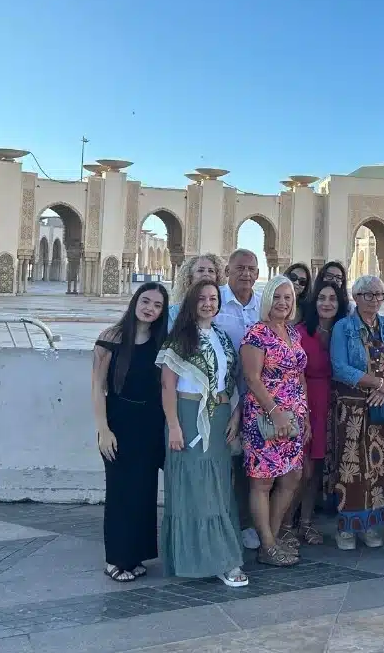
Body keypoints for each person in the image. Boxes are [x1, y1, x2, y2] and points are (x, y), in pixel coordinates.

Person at [156, 279, 247, 587]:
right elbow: (168, 385)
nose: (209, 303)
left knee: (219, 485)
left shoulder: (221, 337)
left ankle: (220, 554)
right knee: (197, 485)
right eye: (202, 298)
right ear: (191, 303)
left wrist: (235, 415)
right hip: (189, 416)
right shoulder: (180, 340)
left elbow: (230, 381)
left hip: (219, 417)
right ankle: (216, 559)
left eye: (213, 298)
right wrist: (173, 426)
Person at [91, 282, 169, 582]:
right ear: (135, 301)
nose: (149, 308)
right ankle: (116, 559)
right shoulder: (110, 338)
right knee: (121, 492)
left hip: (150, 423)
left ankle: (135, 557)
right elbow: (97, 387)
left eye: (157, 305)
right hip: (119, 422)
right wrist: (103, 430)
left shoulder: (161, 341)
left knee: (144, 492)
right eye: (145, 301)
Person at [329, 275, 384, 550]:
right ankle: (348, 527)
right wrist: (378, 383)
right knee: (353, 468)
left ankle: (372, 524)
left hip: (382, 408)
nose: (374, 300)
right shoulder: (344, 327)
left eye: (378, 295)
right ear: (356, 296)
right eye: (368, 295)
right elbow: (339, 367)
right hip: (352, 410)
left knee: (381, 467)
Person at [239, 276, 306, 567]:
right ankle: (266, 544)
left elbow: (298, 375)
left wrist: (307, 417)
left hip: (293, 417)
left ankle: (273, 537)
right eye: (277, 297)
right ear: (268, 300)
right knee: (263, 482)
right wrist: (275, 411)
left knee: (292, 476)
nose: (282, 303)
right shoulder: (257, 333)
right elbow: (252, 378)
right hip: (264, 417)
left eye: (287, 298)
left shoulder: (292, 333)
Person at [291, 277, 346, 545]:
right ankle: (285, 524)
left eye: (332, 299)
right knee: (302, 469)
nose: (327, 303)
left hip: (333, 403)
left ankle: (306, 523)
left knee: (318, 464)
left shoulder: (344, 331)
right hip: (305, 401)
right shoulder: (300, 332)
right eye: (322, 298)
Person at [215, 249, 264, 551]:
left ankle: (247, 523)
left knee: (250, 464)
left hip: (257, 398)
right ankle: (222, 523)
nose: (246, 274)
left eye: (251, 269)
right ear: (227, 271)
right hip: (221, 396)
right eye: (240, 268)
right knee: (223, 462)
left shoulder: (264, 304)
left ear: (258, 274)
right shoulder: (215, 301)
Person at [166, 253, 225, 323]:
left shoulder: (222, 314)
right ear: (190, 277)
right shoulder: (172, 314)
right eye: (200, 270)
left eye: (211, 271)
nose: (206, 274)